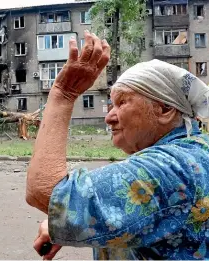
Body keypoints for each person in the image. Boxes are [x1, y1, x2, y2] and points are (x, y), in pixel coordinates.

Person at [26, 30, 209, 260]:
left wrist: (64, 93)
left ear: (164, 110)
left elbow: (46, 193)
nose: (109, 117)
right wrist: (70, 226)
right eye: (111, 105)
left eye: (122, 102)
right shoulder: (196, 149)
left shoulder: (168, 167)